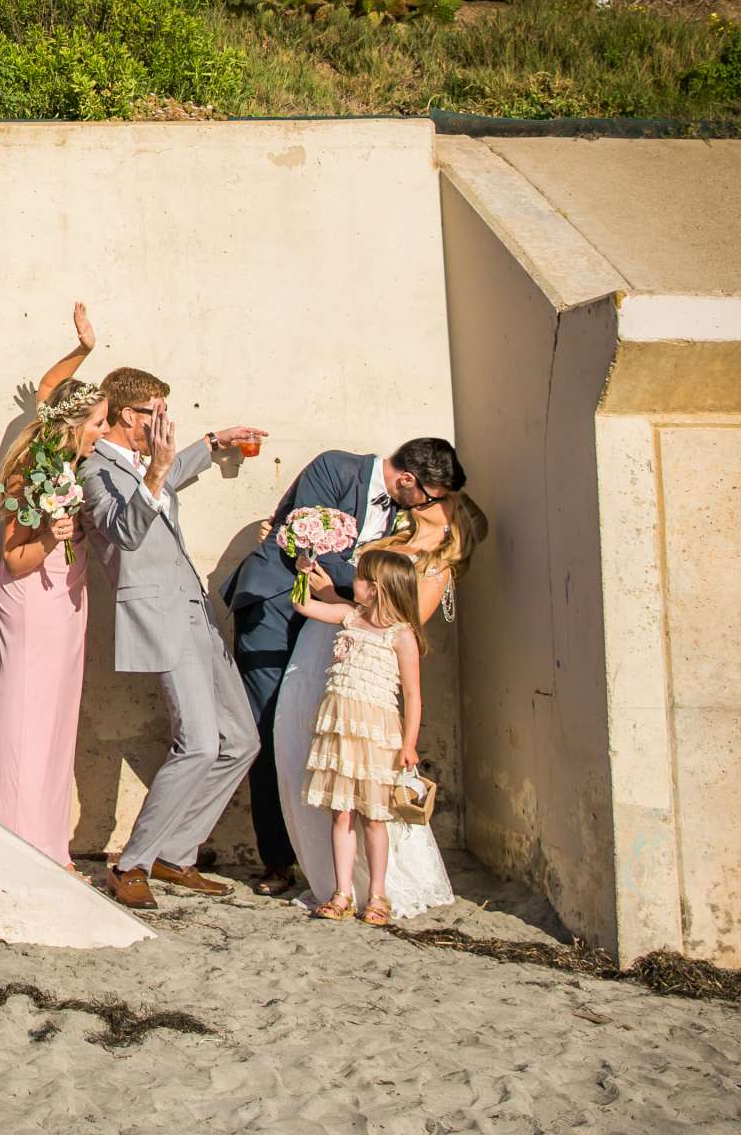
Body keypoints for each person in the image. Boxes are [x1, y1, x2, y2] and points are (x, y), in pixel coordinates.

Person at [258, 439, 485, 919]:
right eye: (434, 493)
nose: (430, 502)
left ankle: (374, 885)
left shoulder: (435, 563)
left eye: (440, 499)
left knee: (365, 782)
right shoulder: (387, 536)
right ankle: (333, 878)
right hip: (325, 649)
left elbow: (398, 624)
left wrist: (333, 597)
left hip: (362, 673)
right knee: (304, 749)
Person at [82, 367, 266, 911]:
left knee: (241, 741)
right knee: (200, 743)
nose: (164, 422)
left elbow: (172, 469)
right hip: (158, 615)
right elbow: (124, 530)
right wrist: (159, 470)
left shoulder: (147, 462)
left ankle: (175, 853)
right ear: (125, 415)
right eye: (155, 413)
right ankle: (132, 864)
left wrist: (212, 443)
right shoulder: (94, 469)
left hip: (195, 610)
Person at [0, 305, 107, 869]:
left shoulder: (70, 463)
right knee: (24, 718)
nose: (104, 432)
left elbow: (52, 389)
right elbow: (15, 557)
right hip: (32, 596)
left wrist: (84, 350)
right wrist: (55, 539)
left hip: (67, 598)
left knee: (56, 720)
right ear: (75, 425)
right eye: (99, 422)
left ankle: (50, 842)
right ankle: (18, 840)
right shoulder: (29, 470)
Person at [293, 546, 425, 927]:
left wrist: (409, 743)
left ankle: (378, 892)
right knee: (341, 814)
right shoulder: (349, 617)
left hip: (376, 733)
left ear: (379, 588)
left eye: (363, 578)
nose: (356, 583)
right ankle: (342, 891)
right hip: (340, 728)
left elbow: (413, 695)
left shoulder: (401, 637)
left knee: (374, 817)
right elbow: (303, 606)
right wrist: (303, 572)